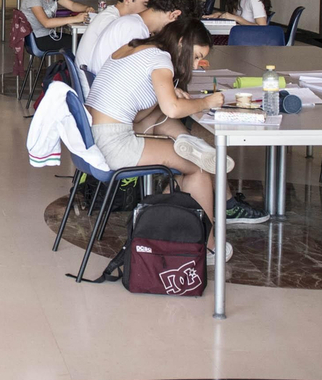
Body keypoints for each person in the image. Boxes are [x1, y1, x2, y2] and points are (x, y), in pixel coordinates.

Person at [85, 20, 252, 263]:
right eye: (195, 57)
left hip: (95, 134)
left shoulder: (132, 47)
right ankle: (208, 247)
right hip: (114, 143)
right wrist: (206, 102)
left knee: (160, 119)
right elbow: (173, 109)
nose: (195, 65)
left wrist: (171, 94)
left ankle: (188, 143)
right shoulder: (161, 60)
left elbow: (146, 110)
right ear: (182, 43)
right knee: (199, 169)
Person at [74, 0, 157, 76]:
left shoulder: (110, 15)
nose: (150, 10)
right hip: (94, 86)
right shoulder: (116, 24)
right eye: (146, 4)